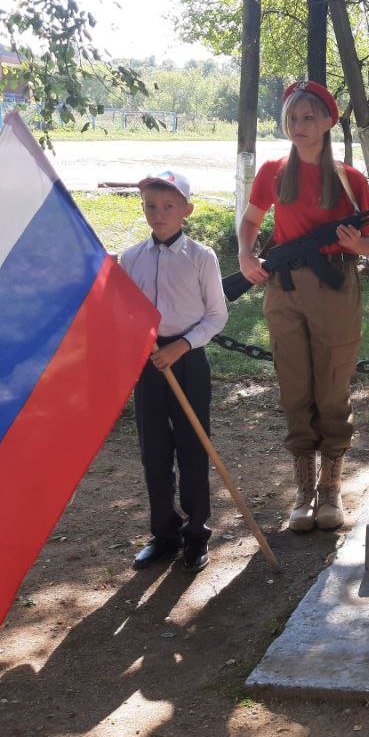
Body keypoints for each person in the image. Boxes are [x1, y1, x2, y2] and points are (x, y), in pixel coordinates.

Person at [237, 80, 369, 532]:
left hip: (335, 286)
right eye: (293, 118)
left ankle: (330, 489)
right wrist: (245, 254)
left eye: (309, 117)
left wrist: (358, 243)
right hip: (285, 289)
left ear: (328, 121)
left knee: (332, 386)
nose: (300, 126)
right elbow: (252, 221)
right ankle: (303, 489)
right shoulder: (274, 171)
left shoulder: (351, 180)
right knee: (294, 384)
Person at [120, 169, 228, 572]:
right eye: (151, 206)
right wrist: (141, 341)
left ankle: (196, 535)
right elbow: (123, 312)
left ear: (187, 210)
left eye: (168, 207)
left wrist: (182, 346)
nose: (158, 214)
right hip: (148, 363)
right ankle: (164, 534)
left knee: (192, 446)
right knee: (155, 451)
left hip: (187, 360)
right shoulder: (130, 259)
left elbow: (217, 316)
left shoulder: (202, 258)